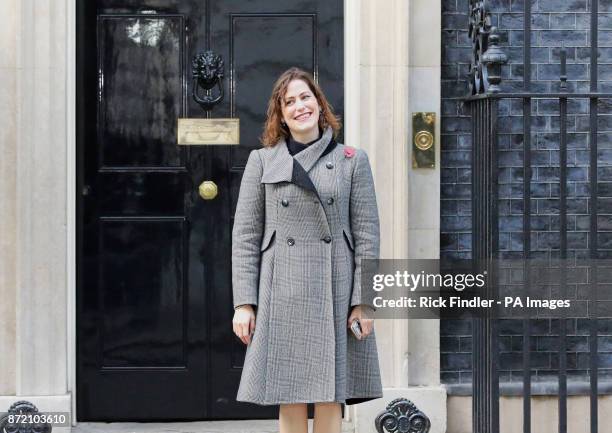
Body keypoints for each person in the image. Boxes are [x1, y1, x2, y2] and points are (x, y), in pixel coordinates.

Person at [231, 67, 382, 433]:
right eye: (290, 102)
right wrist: (243, 303)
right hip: (281, 289)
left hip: (335, 286)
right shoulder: (263, 161)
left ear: (319, 103)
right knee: (290, 390)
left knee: (332, 393)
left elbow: (368, 235)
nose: (300, 106)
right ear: (280, 115)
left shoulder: (351, 160)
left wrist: (364, 301)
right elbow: (246, 236)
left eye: (306, 97)